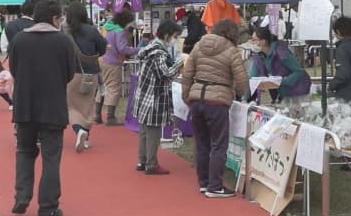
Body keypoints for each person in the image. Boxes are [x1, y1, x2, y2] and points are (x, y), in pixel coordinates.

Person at [8, 0, 74, 216]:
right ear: (56, 19)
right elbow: (69, 73)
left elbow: (14, 69)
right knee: (51, 157)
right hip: (52, 108)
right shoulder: (63, 41)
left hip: (25, 106)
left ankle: (21, 197)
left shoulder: (19, 39)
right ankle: (47, 207)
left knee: (25, 152)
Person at [182, 19, 249, 197]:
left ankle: (204, 182)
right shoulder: (232, 50)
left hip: (197, 98)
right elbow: (241, 79)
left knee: (202, 144)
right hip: (218, 100)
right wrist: (241, 93)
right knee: (218, 145)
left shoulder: (198, 45)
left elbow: (187, 73)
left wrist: (186, 96)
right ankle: (215, 186)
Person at [133, 19, 184, 175]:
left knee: (144, 130)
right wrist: (179, 62)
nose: (175, 40)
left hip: (144, 94)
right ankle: (151, 163)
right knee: (153, 131)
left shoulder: (150, 48)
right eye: (175, 36)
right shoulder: (159, 53)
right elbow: (165, 74)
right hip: (154, 97)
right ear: (167, 35)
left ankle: (142, 161)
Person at [63, 1, 107, 153]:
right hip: (91, 73)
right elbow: (102, 48)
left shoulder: (65, 32)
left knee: (72, 106)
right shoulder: (92, 30)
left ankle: (78, 131)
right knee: (88, 106)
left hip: (71, 73)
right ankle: (86, 137)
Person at [94, 9, 139, 125]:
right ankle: (110, 117)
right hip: (112, 62)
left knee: (103, 87)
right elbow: (122, 48)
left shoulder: (106, 27)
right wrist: (137, 50)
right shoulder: (119, 31)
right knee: (114, 88)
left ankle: (97, 114)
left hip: (101, 59)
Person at [250, 27, 311, 104]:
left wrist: (281, 81)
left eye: (254, 40)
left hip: (297, 91)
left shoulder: (281, 53)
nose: (251, 42)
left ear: (263, 42)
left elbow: (299, 71)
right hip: (280, 94)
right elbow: (252, 77)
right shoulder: (258, 55)